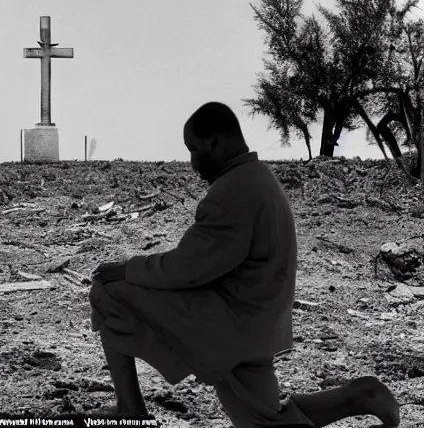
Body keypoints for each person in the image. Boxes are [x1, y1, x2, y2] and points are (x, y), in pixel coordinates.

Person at [89, 102, 400, 427]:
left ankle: (130, 408)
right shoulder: (258, 177)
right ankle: (360, 396)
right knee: (264, 420)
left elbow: (187, 269)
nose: (193, 162)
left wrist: (128, 268)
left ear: (215, 142)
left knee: (108, 290)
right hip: (260, 321)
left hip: (232, 326)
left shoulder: (231, 193)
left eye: (194, 149)